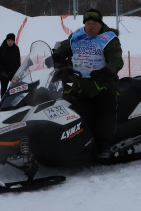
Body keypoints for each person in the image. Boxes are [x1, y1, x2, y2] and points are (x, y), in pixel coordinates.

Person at [51, 8, 124, 152]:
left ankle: (105, 144)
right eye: (88, 23)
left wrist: (106, 71)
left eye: (94, 24)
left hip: (103, 85)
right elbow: (65, 48)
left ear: (100, 24)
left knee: (105, 114)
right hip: (80, 86)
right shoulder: (77, 36)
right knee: (75, 114)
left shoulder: (109, 39)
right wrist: (54, 57)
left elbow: (117, 60)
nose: (91, 27)